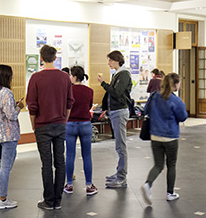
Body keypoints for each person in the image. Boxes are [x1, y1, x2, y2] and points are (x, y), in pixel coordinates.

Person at [26, 45, 74, 210]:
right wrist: (64, 120)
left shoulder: (35, 78)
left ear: (41, 58)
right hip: (60, 124)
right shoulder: (65, 77)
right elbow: (69, 102)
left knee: (46, 163)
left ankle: (48, 200)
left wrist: (33, 124)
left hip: (42, 125)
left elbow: (31, 105)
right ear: (55, 58)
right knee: (60, 161)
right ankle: (58, 200)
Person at [141, 73, 188, 205]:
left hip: (155, 135)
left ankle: (148, 184)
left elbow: (146, 110)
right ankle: (170, 193)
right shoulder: (176, 101)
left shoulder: (155, 96)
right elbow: (183, 117)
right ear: (176, 84)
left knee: (158, 164)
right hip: (171, 137)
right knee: (171, 164)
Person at [0, 64, 24, 210]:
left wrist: (13, 105)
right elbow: (11, 115)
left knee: (6, 164)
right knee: (6, 166)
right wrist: (19, 107)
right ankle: (2, 199)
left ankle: (1, 185)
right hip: (8, 134)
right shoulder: (7, 93)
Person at [97, 50, 132, 188]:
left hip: (120, 111)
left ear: (117, 60)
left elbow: (116, 93)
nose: (108, 63)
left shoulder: (123, 74)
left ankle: (122, 177)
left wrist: (103, 84)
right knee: (118, 145)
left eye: (110, 60)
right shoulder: (117, 74)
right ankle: (119, 173)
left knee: (121, 145)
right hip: (115, 111)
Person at [64, 66, 98, 196]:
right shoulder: (89, 91)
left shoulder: (68, 90)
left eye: (70, 75)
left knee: (70, 155)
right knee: (87, 156)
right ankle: (89, 185)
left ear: (75, 77)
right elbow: (89, 106)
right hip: (85, 124)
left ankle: (69, 185)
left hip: (70, 124)